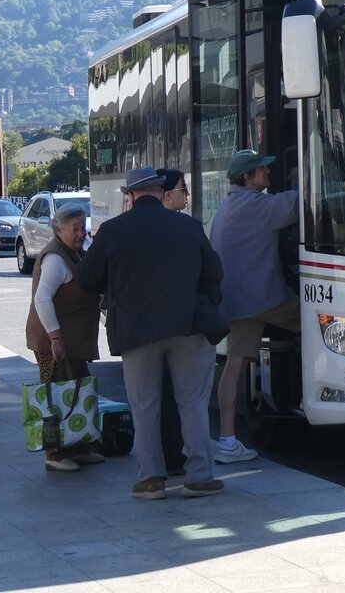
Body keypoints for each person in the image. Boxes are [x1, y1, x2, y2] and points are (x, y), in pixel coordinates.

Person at [77, 166, 225, 500]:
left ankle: (151, 480)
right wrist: (203, 302)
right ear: (161, 192)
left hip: (136, 329)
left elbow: (87, 279)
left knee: (144, 406)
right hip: (188, 324)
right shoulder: (188, 226)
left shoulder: (113, 231)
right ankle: (199, 476)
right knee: (192, 403)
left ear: (130, 195)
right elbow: (214, 272)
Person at [210, 149, 299, 464]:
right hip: (265, 300)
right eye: (262, 171)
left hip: (235, 303)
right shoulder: (256, 205)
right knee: (325, 321)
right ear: (247, 177)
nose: (268, 174)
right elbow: (302, 202)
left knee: (234, 366)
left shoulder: (230, 205)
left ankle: (227, 439)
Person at [24, 204, 103, 472]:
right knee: (55, 393)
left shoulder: (75, 253)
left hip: (74, 340)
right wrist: (55, 337)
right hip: (53, 341)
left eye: (83, 227)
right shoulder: (55, 259)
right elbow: (42, 298)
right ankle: (54, 454)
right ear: (58, 231)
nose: (81, 234)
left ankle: (79, 447)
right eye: (75, 229)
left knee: (78, 390)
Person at [156, 167, 190, 476]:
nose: (188, 195)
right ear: (167, 195)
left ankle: (158, 463)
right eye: (183, 189)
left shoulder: (134, 227)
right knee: (176, 396)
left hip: (144, 329)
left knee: (153, 399)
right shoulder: (184, 228)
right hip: (178, 326)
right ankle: (172, 455)